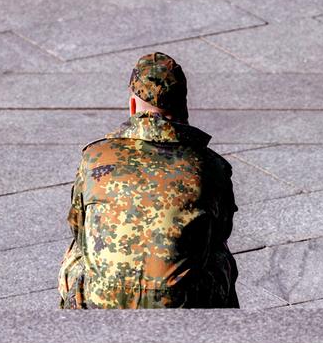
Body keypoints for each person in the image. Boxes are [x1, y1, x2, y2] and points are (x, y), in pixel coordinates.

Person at [57, 52, 239, 308]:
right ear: (183, 106)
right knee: (218, 254)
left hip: (102, 299)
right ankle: (223, 338)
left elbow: (77, 226)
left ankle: (72, 332)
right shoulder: (210, 165)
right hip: (179, 303)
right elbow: (221, 230)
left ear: (133, 106)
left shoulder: (95, 157)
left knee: (79, 249)